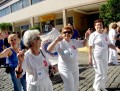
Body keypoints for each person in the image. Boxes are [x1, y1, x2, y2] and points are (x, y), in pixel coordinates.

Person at [47, 26, 89, 91]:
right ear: (62, 34)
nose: (67, 33)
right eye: (65, 32)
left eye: (69, 32)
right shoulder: (60, 43)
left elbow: (83, 44)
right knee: (69, 86)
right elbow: (49, 49)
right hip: (65, 69)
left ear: (72, 34)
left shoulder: (74, 41)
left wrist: (86, 37)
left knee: (75, 85)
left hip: (75, 67)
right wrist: (56, 41)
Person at [88, 19, 116, 91]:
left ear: (102, 25)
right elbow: (90, 47)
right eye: (97, 25)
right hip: (97, 56)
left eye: (100, 24)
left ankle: (102, 86)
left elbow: (109, 44)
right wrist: (90, 58)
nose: (99, 26)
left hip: (105, 56)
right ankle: (96, 87)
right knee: (99, 72)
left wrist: (117, 49)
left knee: (105, 72)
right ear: (95, 26)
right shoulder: (93, 35)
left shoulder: (105, 35)